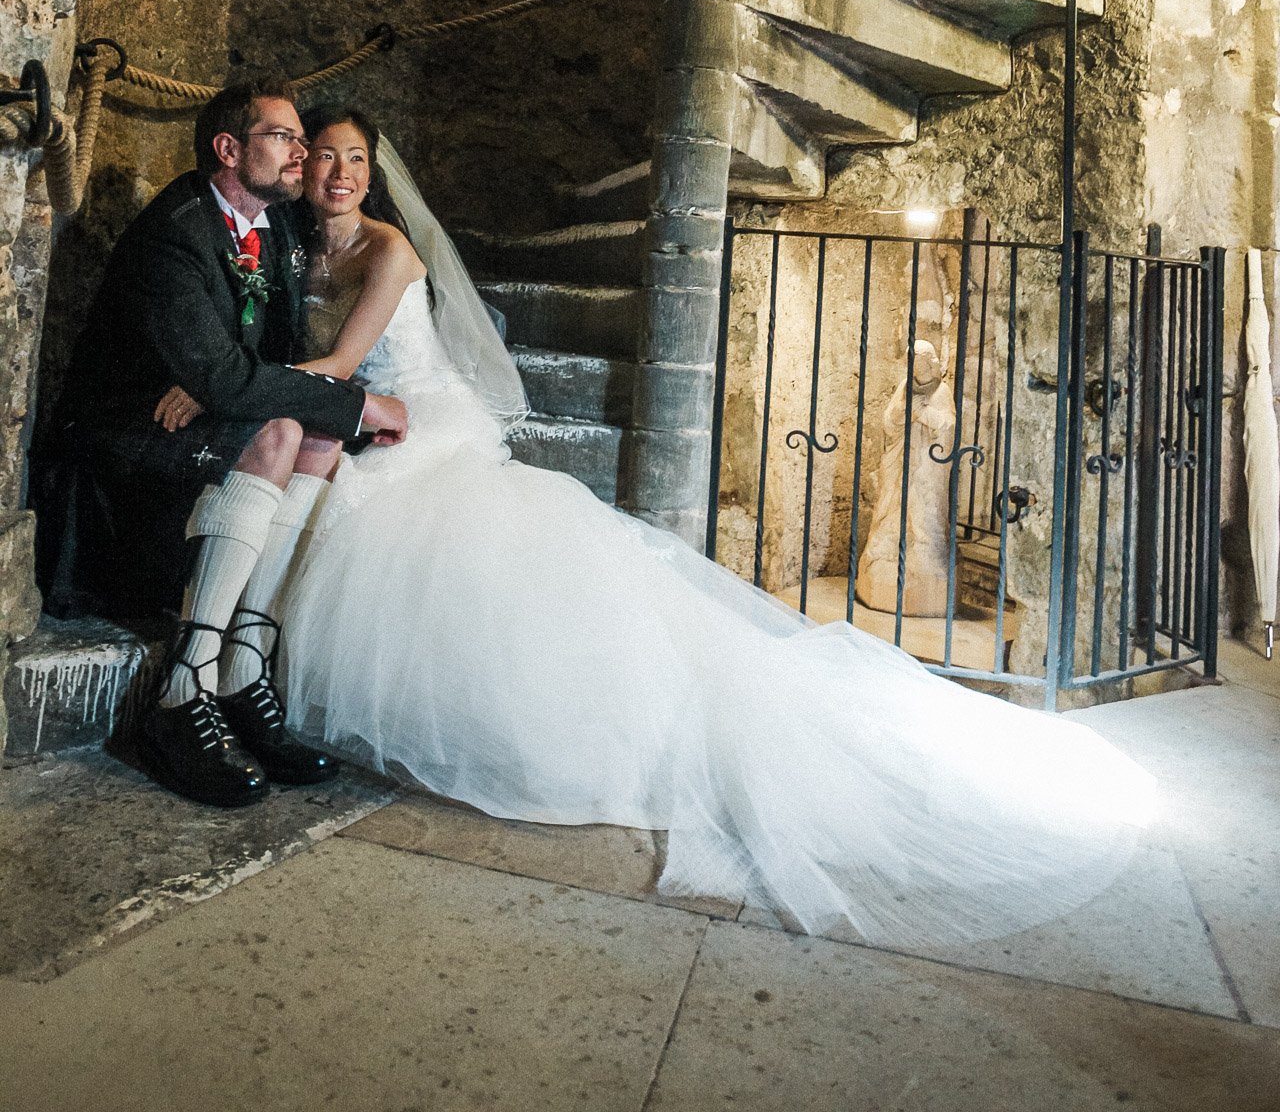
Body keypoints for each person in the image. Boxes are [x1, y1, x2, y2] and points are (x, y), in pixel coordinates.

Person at [272, 104, 1158, 952]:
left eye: (357, 159)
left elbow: (342, 364)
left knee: (392, 533)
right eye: (327, 156)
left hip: (417, 420)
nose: (340, 173)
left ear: (374, 174)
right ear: (303, 165)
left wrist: (230, 390)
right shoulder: (298, 247)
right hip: (362, 417)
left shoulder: (389, 249)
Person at [33, 80, 409, 809]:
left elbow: (259, 360)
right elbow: (228, 378)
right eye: (285, 139)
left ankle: (242, 669)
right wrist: (357, 403)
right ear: (229, 149)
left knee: (319, 440)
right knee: (280, 431)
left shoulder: (272, 226)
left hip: (195, 405)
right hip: (124, 426)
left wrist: (230, 387)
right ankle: (182, 687)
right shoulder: (175, 232)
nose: (302, 154)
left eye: (301, 140)